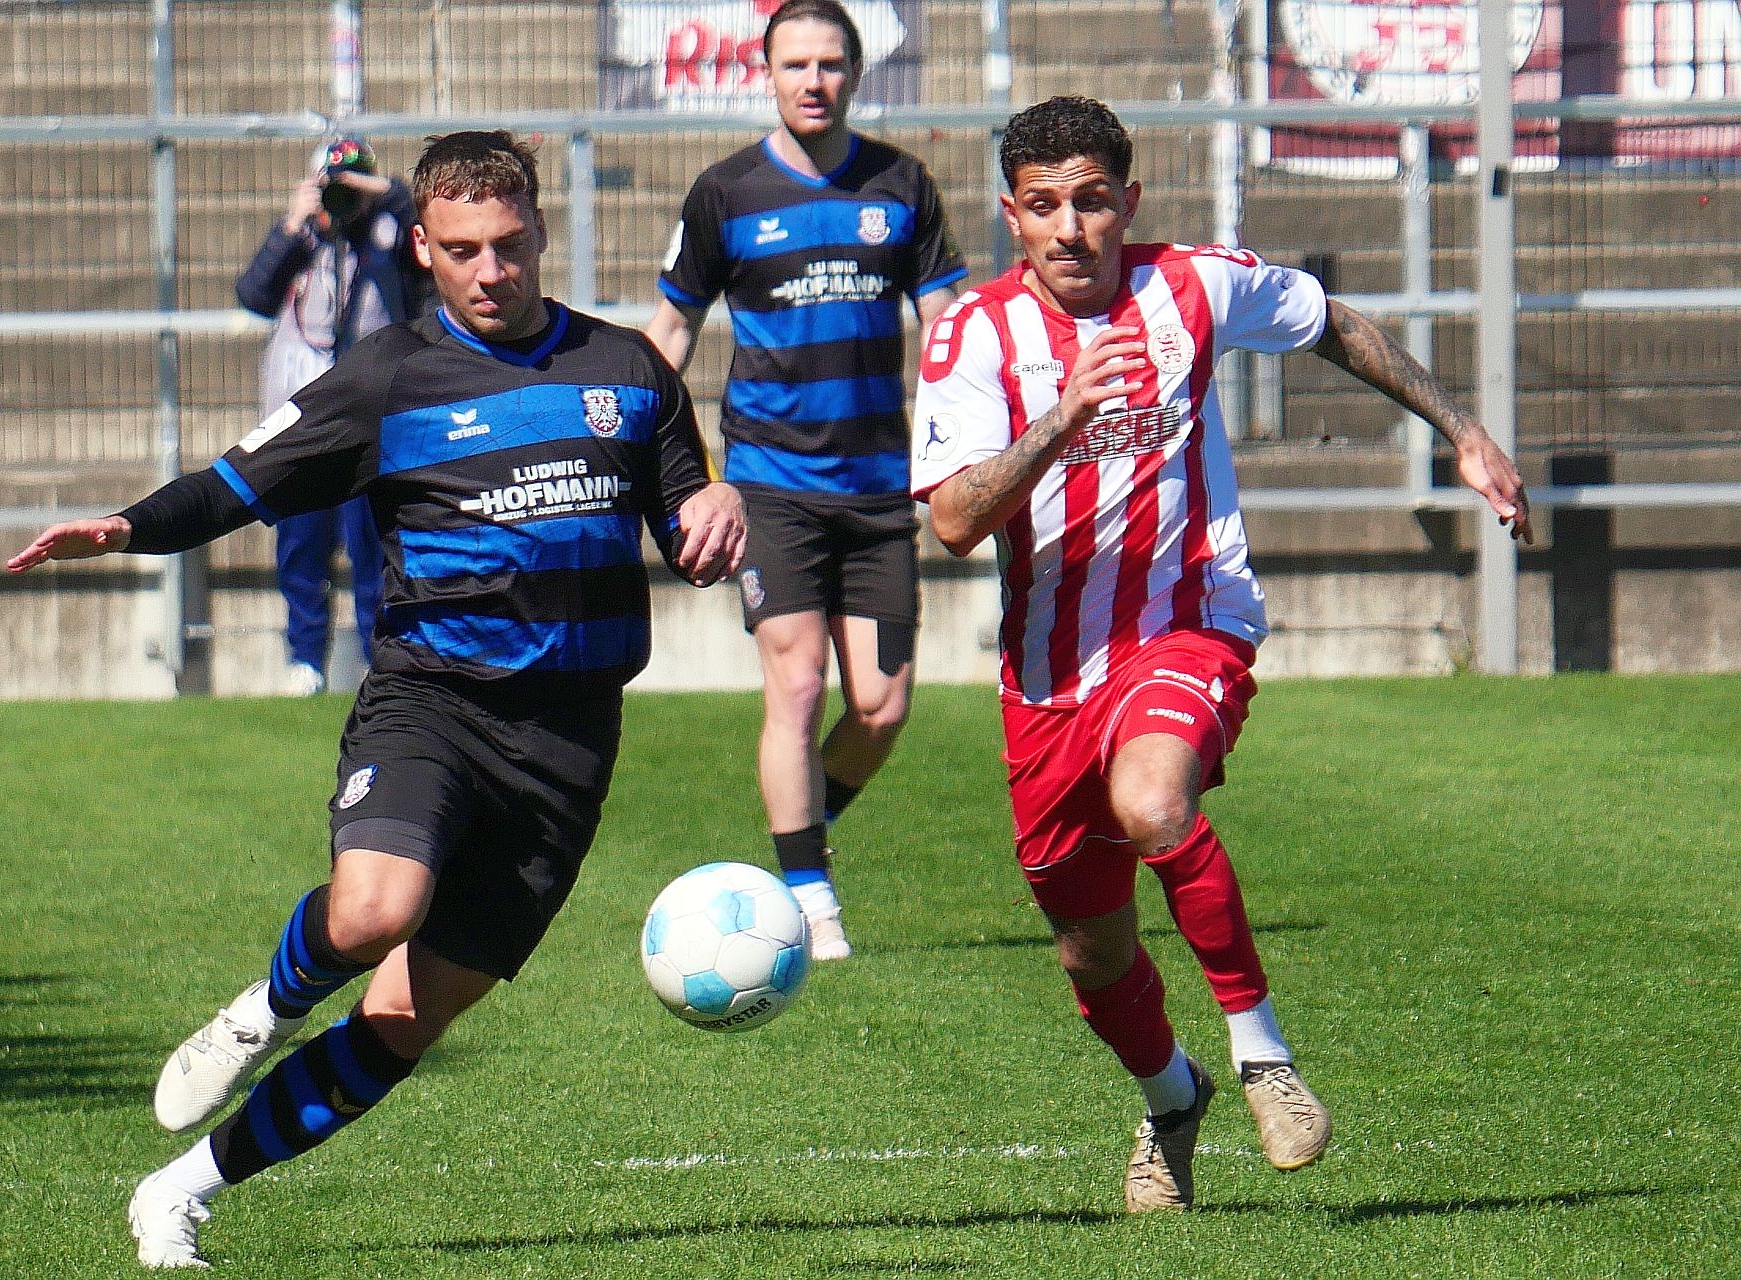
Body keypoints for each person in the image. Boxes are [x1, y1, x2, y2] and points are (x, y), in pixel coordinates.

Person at [7, 130, 746, 1268]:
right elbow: (239, 483)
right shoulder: (386, 377)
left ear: (541, 231)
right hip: (431, 704)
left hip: (569, 741)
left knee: (402, 1021)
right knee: (370, 913)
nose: (491, 270)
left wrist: (716, 514)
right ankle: (264, 1007)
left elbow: (685, 512)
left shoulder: (628, 368)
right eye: (464, 249)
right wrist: (125, 527)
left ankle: (177, 1191)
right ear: (424, 248)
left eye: (509, 244)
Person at [911, 96, 1533, 1213]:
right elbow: (953, 520)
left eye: (1092, 201)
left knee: (1155, 802)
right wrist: (1061, 418)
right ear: (1012, 215)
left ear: (1129, 202)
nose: (1070, 229)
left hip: (1189, 623)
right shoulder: (972, 335)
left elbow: (1331, 321)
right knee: (1091, 955)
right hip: (1049, 677)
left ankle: (1264, 1056)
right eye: (1044, 206)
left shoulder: (1195, 284)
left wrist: (1462, 428)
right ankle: (1172, 1096)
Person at [644, 0, 967, 961]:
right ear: (769, 73)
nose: (814, 81)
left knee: (881, 708)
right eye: (796, 65)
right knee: (796, 685)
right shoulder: (725, 193)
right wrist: (646, 449)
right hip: (770, 484)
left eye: (831, 64)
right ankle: (809, 897)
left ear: (856, 74)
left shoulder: (901, 184)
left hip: (878, 490)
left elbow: (949, 325)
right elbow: (672, 330)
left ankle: (802, 827)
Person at [234, 136, 429, 696]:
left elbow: (415, 215)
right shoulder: (303, 242)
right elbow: (254, 294)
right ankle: (305, 659)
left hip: (372, 418)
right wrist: (293, 224)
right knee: (302, 545)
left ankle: (379, 658)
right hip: (302, 419)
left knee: (374, 547)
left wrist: (376, 192)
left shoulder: (391, 238)